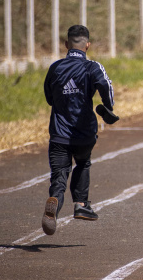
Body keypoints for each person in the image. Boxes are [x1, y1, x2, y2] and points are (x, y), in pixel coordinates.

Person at [41, 25, 115, 236]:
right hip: (84, 134)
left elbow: (49, 98)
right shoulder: (92, 67)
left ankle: (54, 199)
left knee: (60, 174)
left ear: (66, 45)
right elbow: (106, 87)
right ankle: (81, 204)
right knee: (82, 163)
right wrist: (108, 108)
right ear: (87, 45)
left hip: (58, 133)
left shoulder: (55, 68)